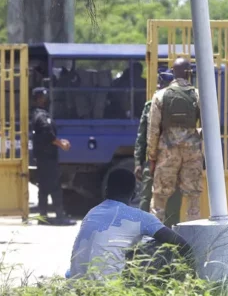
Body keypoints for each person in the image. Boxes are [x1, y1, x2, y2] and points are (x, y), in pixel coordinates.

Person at [68, 169, 191, 280]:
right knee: (156, 245)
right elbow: (182, 245)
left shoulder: (92, 213)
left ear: (106, 191)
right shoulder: (140, 217)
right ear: (134, 195)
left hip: (77, 287)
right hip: (109, 290)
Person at [147, 58, 203, 222]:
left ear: (172, 72)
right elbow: (208, 125)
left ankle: (155, 237)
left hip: (167, 152)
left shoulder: (160, 96)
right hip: (192, 152)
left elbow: (153, 129)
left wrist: (151, 156)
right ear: (189, 73)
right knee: (193, 197)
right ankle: (194, 238)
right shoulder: (198, 95)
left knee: (159, 197)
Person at [134, 72, 183, 227]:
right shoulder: (150, 105)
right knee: (146, 200)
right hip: (154, 161)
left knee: (173, 203)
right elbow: (142, 135)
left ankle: (170, 239)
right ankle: (143, 239)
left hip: (173, 161)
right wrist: (138, 162)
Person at [30, 87, 74, 226]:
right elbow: (47, 134)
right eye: (44, 96)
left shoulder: (38, 114)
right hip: (47, 158)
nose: (47, 99)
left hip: (43, 158)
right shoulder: (42, 116)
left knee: (43, 188)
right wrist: (61, 144)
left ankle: (43, 217)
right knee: (54, 187)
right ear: (39, 99)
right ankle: (59, 217)